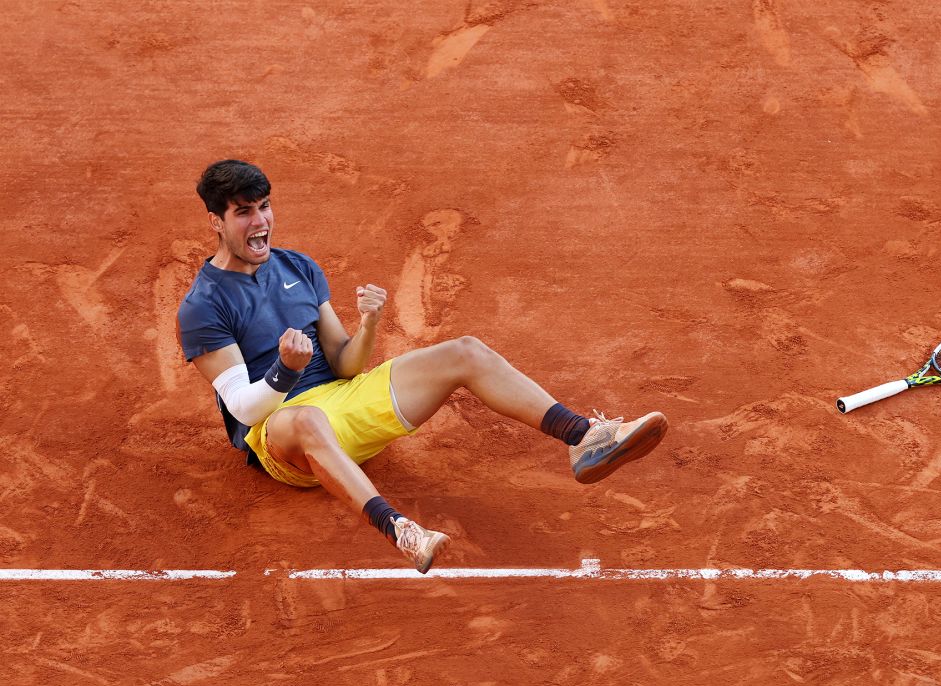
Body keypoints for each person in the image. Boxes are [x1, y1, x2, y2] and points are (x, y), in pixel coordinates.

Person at [177, 160, 668, 573]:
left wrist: (368, 324)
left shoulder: (298, 267)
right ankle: (401, 531)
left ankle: (583, 437)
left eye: (264, 207)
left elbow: (347, 367)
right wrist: (284, 370)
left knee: (465, 351)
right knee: (307, 418)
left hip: (343, 405)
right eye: (243, 213)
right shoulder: (203, 307)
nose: (259, 221)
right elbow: (243, 410)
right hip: (283, 435)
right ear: (216, 222)